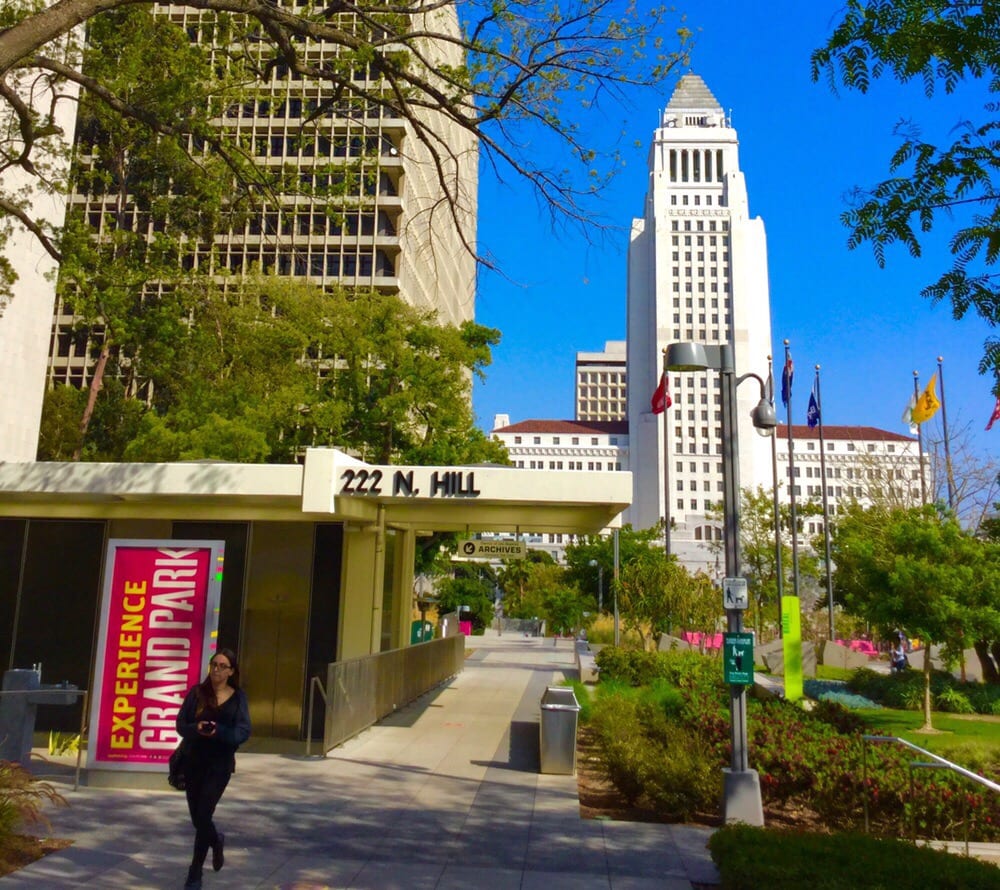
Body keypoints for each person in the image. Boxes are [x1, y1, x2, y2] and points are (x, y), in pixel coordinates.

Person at [176, 648, 251, 890]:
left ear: (231, 671)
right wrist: (196, 727)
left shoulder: (238, 698)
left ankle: (195, 872)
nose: (217, 670)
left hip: (219, 766)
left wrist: (219, 731)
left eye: (222, 666)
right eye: (214, 665)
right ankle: (215, 841)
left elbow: (243, 731)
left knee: (203, 815)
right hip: (192, 762)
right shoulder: (197, 693)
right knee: (198, 818)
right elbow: (180, 724)